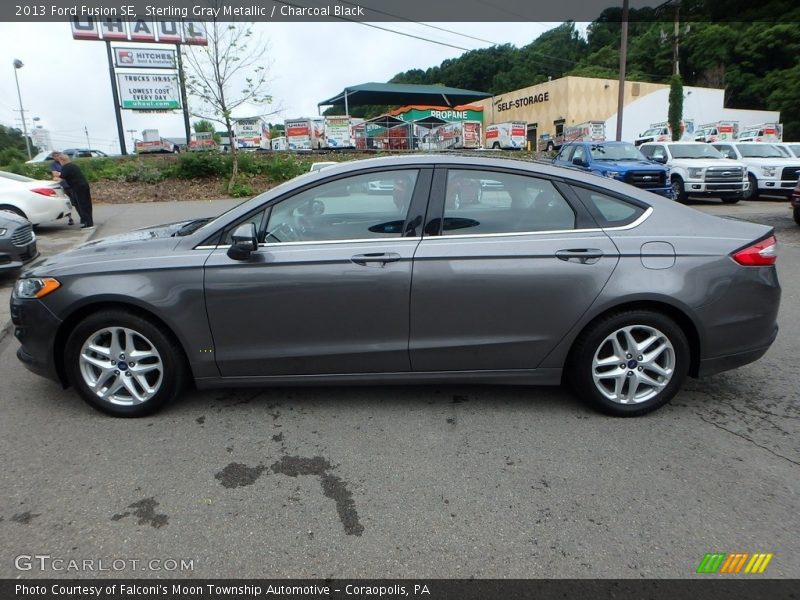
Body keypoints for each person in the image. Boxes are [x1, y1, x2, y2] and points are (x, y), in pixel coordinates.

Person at [52, 151, 93, 229]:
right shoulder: (73, 166)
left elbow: (60, 178)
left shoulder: (65, 167)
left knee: (82, 205)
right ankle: (89, 222)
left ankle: (88, 223)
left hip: (78, 188)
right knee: (87, 204)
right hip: (84, 185)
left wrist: (55, 178)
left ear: (62, 160)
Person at [50, 153, 75, 226]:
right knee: (66, 202)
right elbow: (54, 174)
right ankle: (70, 218)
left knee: (75, 202)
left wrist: (60, 174)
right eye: (54, 156)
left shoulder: (65, 162)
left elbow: (68, 173)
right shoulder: (53, 165)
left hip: (70, 184)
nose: (56, 157)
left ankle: (83, 217)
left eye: (58, 155)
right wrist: (62, 174)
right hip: (63, 186)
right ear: (53, 157)